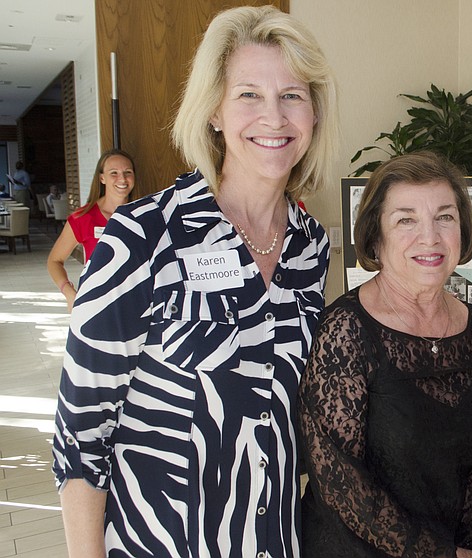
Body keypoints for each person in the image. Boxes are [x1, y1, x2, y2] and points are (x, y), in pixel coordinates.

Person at [52, 6, 339, 557]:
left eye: (293, 95)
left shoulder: (310, 247)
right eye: (248, 94)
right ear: (212, 109)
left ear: (314, 113)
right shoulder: (142, 237)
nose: (273, 117)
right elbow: (81, 438)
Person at [299, 152, 472, 558]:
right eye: (406, 219)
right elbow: (338, 479)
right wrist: (436, 553)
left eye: (445, 217)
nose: (431, 237)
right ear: (375, 237)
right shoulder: (346, 330)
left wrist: (471, 546)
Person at [46, 149, 135, 312]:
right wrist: (69, 292)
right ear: (102, 178)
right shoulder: (83, 217)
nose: (122, 178)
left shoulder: (145, 214)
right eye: (113, 173)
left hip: (137, 303)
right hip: (96, 303)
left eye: (127, 172)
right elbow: (54, 261)